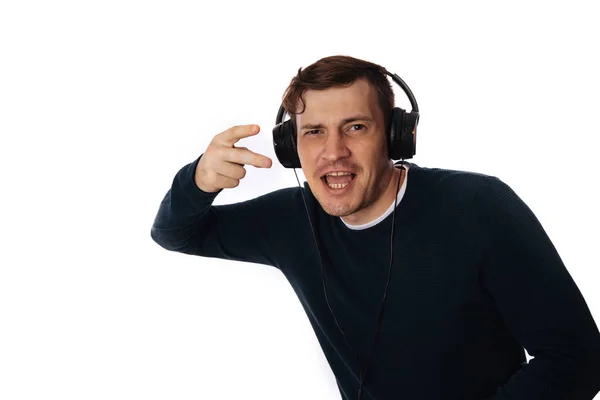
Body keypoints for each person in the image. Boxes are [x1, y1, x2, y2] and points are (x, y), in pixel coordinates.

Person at [150, 55, 600, 400]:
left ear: (395, 136)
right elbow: (176, 233)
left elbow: (577, 359)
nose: (333, 152)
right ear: (291, 146)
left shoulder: (479, 207)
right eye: (313, 132)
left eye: (356, 127)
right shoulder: (291, 220)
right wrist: (198, 181)